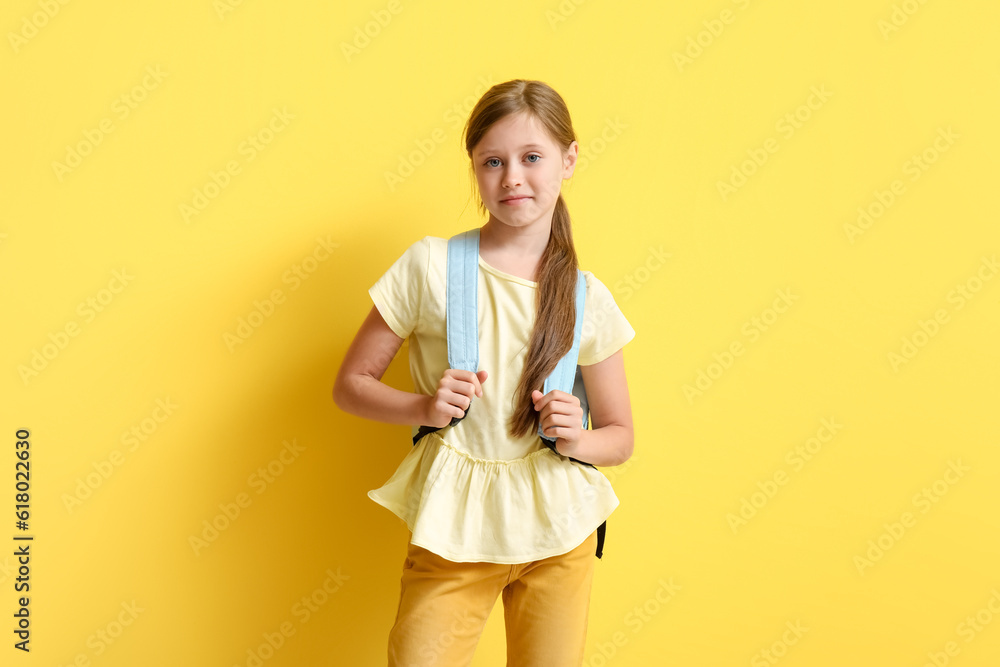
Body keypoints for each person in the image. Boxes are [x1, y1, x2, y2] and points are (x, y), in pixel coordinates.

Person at [333, 78, 636, 666]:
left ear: (569, 160)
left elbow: (621, 439)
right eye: (492, 161)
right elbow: (350, 386)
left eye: (531, 158)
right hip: (455, 531)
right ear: (474, 167)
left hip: (559, 532)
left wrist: (578, 436)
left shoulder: (586, 297)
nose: (512, 178)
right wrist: (423, 407)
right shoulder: (430, 267)